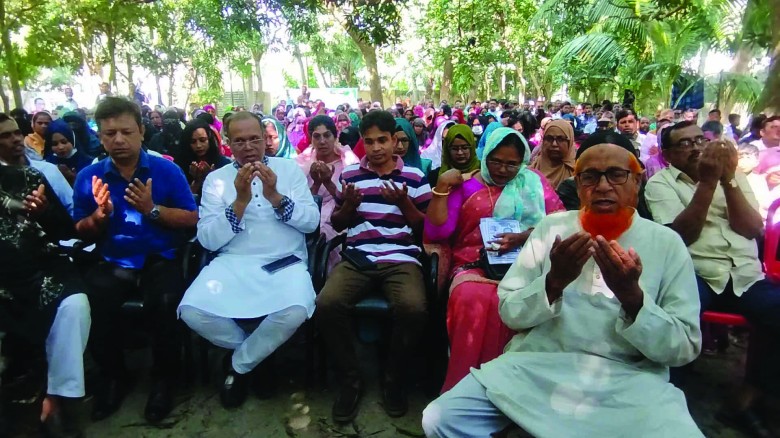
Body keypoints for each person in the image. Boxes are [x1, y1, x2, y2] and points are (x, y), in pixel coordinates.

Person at [422, 134, 703, 438]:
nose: (604, 186)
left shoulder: (666, 243)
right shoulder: (551, 229)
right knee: (441, 418)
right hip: (537, 365)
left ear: (637, 182)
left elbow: (685, 346)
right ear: (578, 185)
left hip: (628, 379)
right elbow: (510, 312)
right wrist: (553, 283)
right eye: (591, 177)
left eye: (617, 175)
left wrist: (633, 299)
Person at [644, 120, 778, 437]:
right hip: (695, 273)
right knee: (679, 317)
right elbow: (681, 237)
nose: (695, 148)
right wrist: (707, 183)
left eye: (699, 140)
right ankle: (665, 399)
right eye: (684, 144)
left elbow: (751, 229)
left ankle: (747, 397)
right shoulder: (660, 183)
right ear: (667, 155)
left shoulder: (735, 176)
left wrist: (728, 179)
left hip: (744, 275)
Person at [179, 111, 319, 408]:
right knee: (192, 310)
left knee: (295, 309)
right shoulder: (217, 179)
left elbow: (311, 223)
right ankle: (258, 355)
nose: (248, 146)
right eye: (239, 140)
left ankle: (240, 365)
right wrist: (239, 201)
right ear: (228, 143)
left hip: (284, 261)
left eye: (254, 138)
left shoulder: (289, 170)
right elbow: (208, 239)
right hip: (232, 262)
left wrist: (275, 196)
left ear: (264, 138)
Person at [72, 97, 199, 424]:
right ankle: (115, 377)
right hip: (115, 261)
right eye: (109, 133)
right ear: (99, 137)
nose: (118, 140)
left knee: (166, 300)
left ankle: (163, 380)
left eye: (126, 131)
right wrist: (99, 217)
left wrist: (152, 210)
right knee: (94, 299)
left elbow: (191, 218)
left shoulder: (165, 170)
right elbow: (80, 229)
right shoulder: (89, 177)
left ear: (142, 131)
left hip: (161, 257)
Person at [425, 127, 564, 393]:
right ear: (485, 155)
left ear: (522, 162)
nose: (503, 170)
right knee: (472, 298)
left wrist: (523, 237)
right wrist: (442, 187)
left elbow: (560, 223)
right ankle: (465, 388)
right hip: (473, 263)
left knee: (531, 297)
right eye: (496, 161)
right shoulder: (468, 185)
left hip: (526, 263)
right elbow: (438, 231)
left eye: (512, 164)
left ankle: (514, 390)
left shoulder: (533, 182)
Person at [316, 110, 431, 423]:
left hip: (401, 257)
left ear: (395, 140)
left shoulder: (415, 177)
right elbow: (339, 222)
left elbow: (425, 229)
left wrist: (404, 203)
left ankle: (393, 378)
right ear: (362, 143)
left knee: (413, 308)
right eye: (369, 141)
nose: (377, 147)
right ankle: (351, 379)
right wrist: (349, 207)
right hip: (359, 256)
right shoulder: (351, 176)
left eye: (383, 140)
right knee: (327, 304)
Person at [0, 114, 91, 437]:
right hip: (5, 280)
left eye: (16, 134)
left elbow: (64, 229)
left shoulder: (34, 176)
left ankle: (61, 398)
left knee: (74, 306)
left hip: (44, 267)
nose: (14, 141)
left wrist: (44, 212)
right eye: (5, 136)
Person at [295, 115, 359, 270]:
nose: (322, 141)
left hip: (339, 217)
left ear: (335, 136)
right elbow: (300, 201)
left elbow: (350, 201)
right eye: (316, 136)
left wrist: (328, 182)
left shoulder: (349, 162)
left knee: (325, 237)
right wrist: (316, 183)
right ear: (311, 139)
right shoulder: (302, 163)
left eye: (327, 135)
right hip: (310, 213)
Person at [0, 115, 74, 215]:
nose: (16, 139)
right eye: (6, 136)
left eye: (17, 133)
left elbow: (71, 207)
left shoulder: (48, 170)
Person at [174, 119, 232, 196]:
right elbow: (182, 199)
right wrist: (197, 181)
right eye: (193, 142)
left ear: (209, 139)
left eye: (202, 140)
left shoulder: (223, 163)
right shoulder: (179, 166)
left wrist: (213, 177)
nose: (198, 145)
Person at [529, 119, 576, 190]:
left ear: (570, 142)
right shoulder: (530, 172)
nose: (554, 144)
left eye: (560, 139)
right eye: (549, 138)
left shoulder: (578, 173)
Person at [43, 119, 93, 185]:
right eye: (55, 144)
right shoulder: (46, 165)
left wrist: (72, 177)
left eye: (64, 142)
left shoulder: (90, 162)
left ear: (72, 141)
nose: (60, 147)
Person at [430, 124, 480, 188]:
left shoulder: (483, 172)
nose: (460, 153)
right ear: (447, 150)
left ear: (472, 148)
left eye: (464, 148)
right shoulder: (435, 176)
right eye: (454, 148)